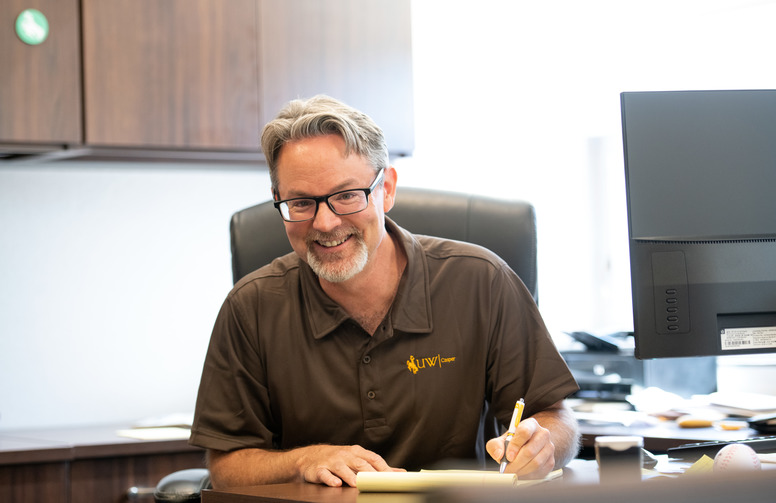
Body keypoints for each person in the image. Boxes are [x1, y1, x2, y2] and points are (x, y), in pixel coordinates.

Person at [189, 95, 580, 489]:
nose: (324, 223)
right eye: (302, 202)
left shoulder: (483, 280)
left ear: (386, 189)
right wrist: (305, 459)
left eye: (346, 195)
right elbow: (226, 467)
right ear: (278, 201)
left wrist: (542, 445)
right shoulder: (250, 307)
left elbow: (555, 418)